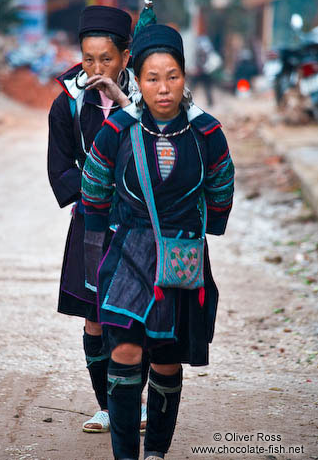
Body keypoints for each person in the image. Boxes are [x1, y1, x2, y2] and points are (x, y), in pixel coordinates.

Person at [81, 24, 235, 460]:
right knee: (125, 350)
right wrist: (102, 228)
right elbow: (95, 184)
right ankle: (127, 454)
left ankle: (157, 452)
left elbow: (222, 185)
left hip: (180, 258)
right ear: (139, 81)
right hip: (129, 253)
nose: (163, 88)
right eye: (152, 78)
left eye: (172, 76)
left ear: (185, 77)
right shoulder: (118, 130)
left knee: (167, 359)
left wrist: (208, 227)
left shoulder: (206, 132)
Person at [47, 5, 148, 433]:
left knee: (136, 314)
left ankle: (136, 403)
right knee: (94, 316)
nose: (95, 68)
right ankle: (107, 406)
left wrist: (126, 105)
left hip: (140, 222)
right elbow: (60, 168)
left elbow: (162, 150)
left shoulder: (151, 95)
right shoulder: (68, 103)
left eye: (106, 59)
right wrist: (92, 191)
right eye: (88, 59)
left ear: (126, 56)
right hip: (92, 219)